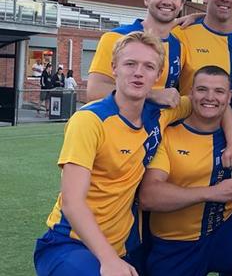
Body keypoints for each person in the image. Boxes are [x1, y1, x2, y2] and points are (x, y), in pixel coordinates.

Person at [33, 32, 193, 276]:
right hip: (70, 243)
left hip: (124, 247)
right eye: (130, 63)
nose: (138, 72)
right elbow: (72, 202)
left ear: (158, 75)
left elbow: (205, 101)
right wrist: (108, 260)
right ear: (114, 68)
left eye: (148, 66)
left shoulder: (158, 115)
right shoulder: (89, 121)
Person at [139, 65, 232, 276]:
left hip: (223, 231)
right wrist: (212, 192)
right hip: (175, 243)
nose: (210, 97)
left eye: (219, 91)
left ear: (229, 96)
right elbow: (148, 196)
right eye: (202, 89)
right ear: (191, 93)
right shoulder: (168, 136)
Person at [87, 0, 188, 107]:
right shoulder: (116, 38)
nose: (167, 1)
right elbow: (94, 91)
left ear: (182, 3)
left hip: (157, 128)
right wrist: (152, 94)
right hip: (119, 127)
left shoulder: (179, 47)